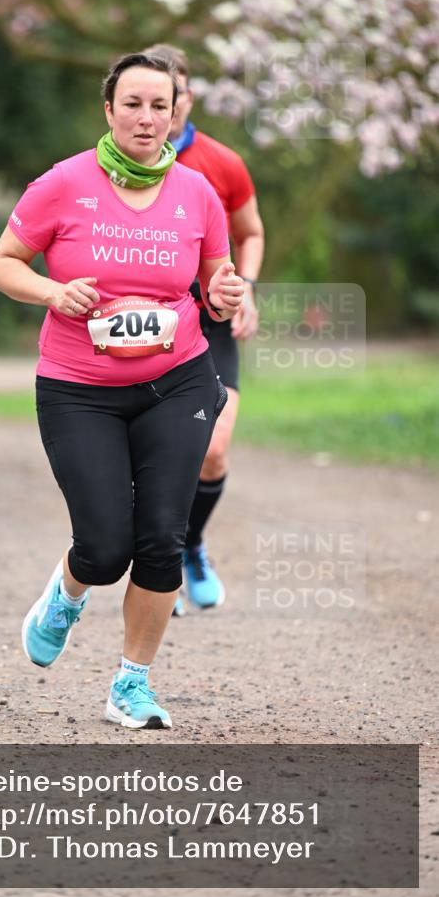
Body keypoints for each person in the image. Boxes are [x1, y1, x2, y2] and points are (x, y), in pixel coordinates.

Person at [0, 52, 244, 729]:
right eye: (132, 103)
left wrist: (223, 293)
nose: (146, 117)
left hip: (178, 379)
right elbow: (0, 265)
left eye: (159, 105)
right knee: (104, 548)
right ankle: (67, 594)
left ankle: (131, 683)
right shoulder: (62, 184)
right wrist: (51, 290)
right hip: (78, 389)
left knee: (161, 536)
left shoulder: (197, 193)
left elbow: (214, 285)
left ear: (174, 111)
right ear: (108, 109)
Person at [146, 44, 265, 613]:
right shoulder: (114, 167)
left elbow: (252, 232)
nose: (165, 108)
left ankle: (189, 544)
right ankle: (158, 564)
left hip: (211, 315)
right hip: (149, 320)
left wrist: (247, 290)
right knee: (153, 448)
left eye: (176, 94)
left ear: (186, 99)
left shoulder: (222, 162)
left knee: (212, 451)